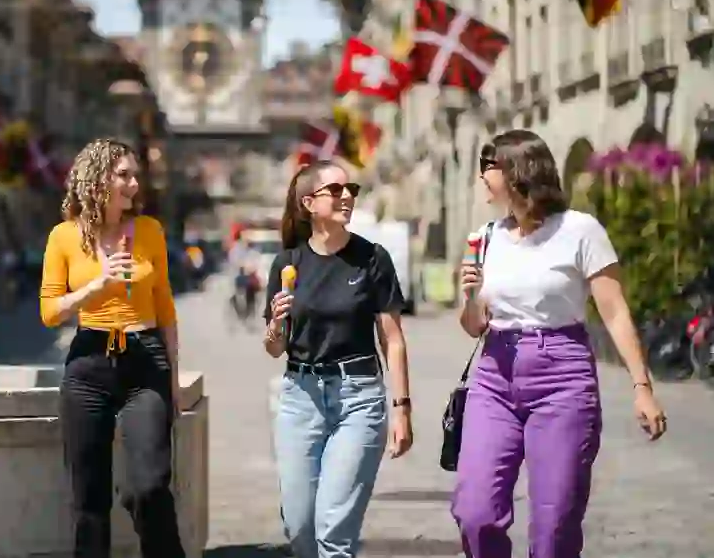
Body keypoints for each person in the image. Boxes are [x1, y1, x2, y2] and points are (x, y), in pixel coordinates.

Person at [454, 129, 667, 558]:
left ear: (518, 170)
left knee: (554, 526)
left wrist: (642, 387)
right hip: (495, 375)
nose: (482, 178)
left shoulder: (579, 230)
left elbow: (614, 311)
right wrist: (471, 298)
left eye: (488, 167)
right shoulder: (487, 237)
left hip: (562, 375)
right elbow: (473, 326)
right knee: (475, 511)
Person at [39, 138, 185, 558]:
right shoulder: (64, 237)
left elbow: (166, 310)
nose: (134, 184)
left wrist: (173, 377)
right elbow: (50, 312)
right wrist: (97, 285)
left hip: (145, 361)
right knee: (89, 501)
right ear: (97, 177)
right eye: (124, 174)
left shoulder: (150, 231)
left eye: (135, 175)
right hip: (88, 363)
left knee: (149, 488)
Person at [263, 160, 413, 558]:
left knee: (334, 532)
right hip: (300, 398)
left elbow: (392, 339)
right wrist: (277, 324)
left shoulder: (372, 258)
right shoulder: (287, 264)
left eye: (351, 190)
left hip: (358, 398)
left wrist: (401, 409)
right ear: (310, 203)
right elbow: (275, 347)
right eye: (336, 190)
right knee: (300, 529)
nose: (347, 197)